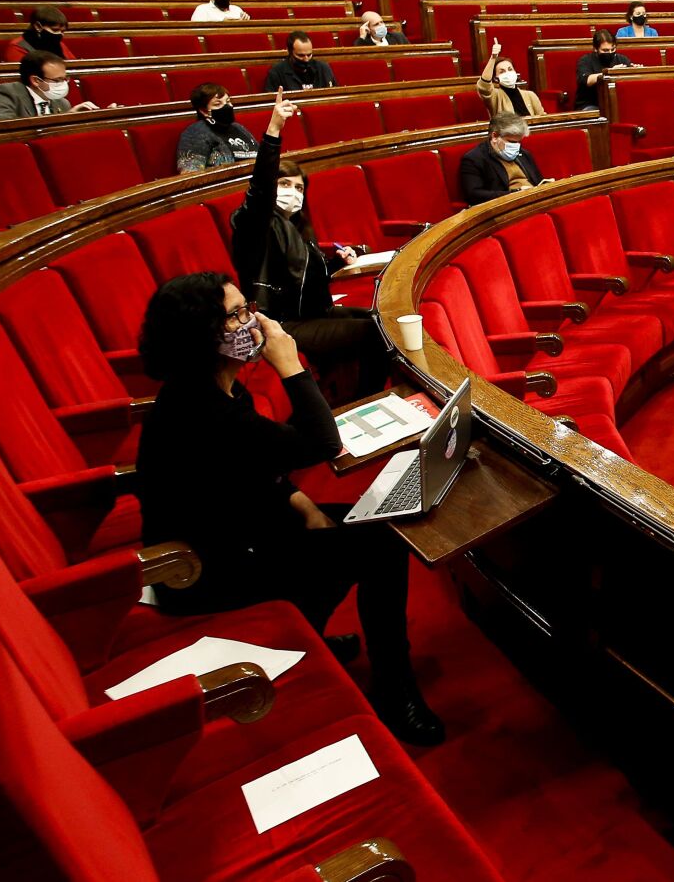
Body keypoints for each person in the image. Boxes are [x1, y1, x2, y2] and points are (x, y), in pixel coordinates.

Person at [134, 271, 445, 745]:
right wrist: (290, 363)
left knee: (356, 528)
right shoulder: (202, 411)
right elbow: (321, 443)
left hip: (241, 530)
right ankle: (393, 690)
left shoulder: (214, 385)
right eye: (236, 315)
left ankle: (310, 631)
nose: (253, 321)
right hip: (207, 571)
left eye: (247, 308)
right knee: (380, 548)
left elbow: (256, 469)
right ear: (203, 337)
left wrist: (303, 505)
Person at [229, 89, 389, 397]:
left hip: (311, 313)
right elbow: (259, 191)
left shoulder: (296, 227)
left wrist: (336, 262)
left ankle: (357, 392)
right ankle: (366, 398)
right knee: (373, 333)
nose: (293, 192)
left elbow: (303, 278)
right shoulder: (254, 224)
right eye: (284, 184)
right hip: (280, 322)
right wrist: (274, 131)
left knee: (380, 318)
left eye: (299, 188)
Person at [459, 113, 552, 205]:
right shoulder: (474, 159)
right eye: (511, 142)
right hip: (507, 206)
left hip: (534, 200)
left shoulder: (524, 154)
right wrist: (516, 193)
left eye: (518, 142)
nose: (516, 146)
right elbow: (474, 195)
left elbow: (538, 181)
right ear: (495, 136)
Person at [0, 52, 104, 120]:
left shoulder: (62, 103)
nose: (63, 84)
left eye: (65, 79)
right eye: (57, 80)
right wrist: (61, 119)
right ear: (36, 80)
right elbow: (6, 129)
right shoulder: (4, 93)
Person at [176, 83, 259, 173]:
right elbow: (190, 173)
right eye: (217, 104)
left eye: (228, 101)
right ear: (204, 111)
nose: (226, 107)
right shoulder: (195, 133)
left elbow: (261, 155)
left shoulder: (238, 127)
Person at [476, 39, 544, 117]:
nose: (507, 73)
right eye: (502, 72)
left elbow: (543, 118)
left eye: (510, 69)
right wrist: (493, 58)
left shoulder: (530, 95)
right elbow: (484, 86)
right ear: (495, 78)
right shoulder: (495, 96)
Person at [573, 30, 632, 112]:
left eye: (613, 49)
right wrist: (610, 72)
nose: (610, 53)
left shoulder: (622, 59)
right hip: (591, 104)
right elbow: (587, 80)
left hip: (616, 103)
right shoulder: (586, 60)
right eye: (605, 50)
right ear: (595, 49)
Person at [262, 32, 336, 92]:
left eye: (309, 55)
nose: (306, 59)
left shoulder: (323, 68)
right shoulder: (277, 72)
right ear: (289, 52)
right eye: (301, 55)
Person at [3, 6, 75, 62]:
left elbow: (73, 64)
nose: (59, 34)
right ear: (38, 26)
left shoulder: (59, 44)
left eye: (63, 31)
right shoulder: (18, 46)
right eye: (55, 30)